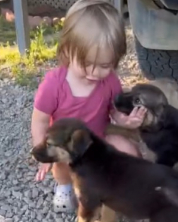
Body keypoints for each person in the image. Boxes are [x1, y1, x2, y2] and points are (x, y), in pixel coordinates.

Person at [30, 0, 147, 214]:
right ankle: (65, 186)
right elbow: (40, 119)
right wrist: (42, 148)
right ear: (67, 50)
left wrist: (125, 121)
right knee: (62, 164)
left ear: (116, 59)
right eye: (85, 64)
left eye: (104, 65)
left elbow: (114, 111)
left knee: (130, 152)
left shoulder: (110, 81)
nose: (94, 73)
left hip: (98, 139)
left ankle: (119, 186)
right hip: (67, 145)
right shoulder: (53, 85)